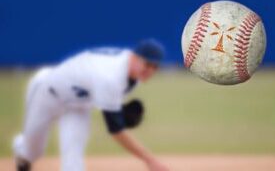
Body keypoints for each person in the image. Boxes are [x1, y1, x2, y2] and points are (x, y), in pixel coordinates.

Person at [13, 39, 169, 171]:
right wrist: (150, 160)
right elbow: (116, 130)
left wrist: (119, 114)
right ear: (134, 57)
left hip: (78, 107)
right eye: (147, 64)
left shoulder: (132, 75)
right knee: (32, 152)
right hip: (48, 93)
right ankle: (22, 146)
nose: (150, 70)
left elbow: (107, 103)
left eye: (155, 67)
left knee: (73, 160)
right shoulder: (111, 75)